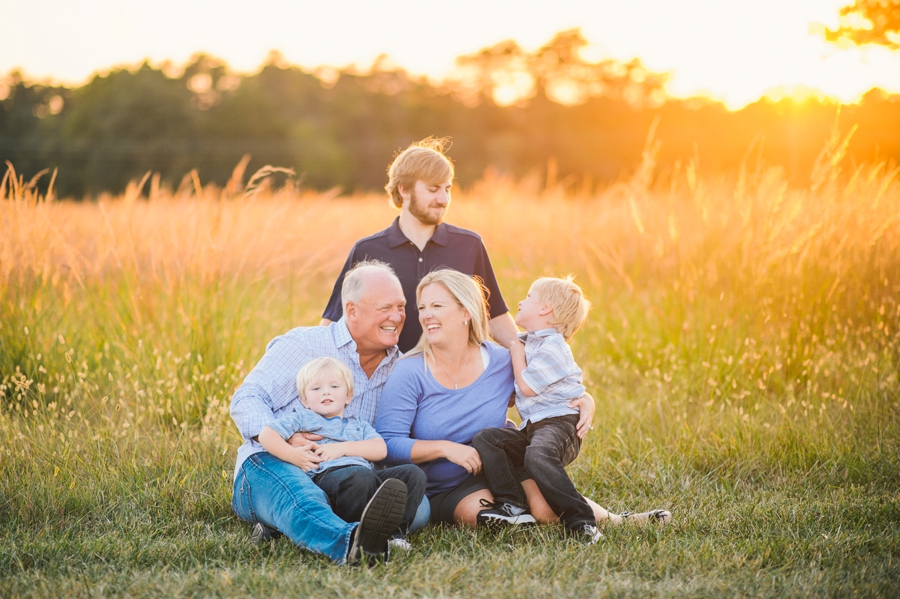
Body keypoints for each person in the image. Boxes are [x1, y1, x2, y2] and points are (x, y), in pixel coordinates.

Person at [375, 269, 662, 530]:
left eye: (437, 306)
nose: (426, 315)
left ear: (466, 312)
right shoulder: (410, 371)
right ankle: (512, 506)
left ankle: (617, 520)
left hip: (502, 464)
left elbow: (548, 382)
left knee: (547, 511)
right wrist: (447, 449)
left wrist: (585, 399)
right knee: (486, 516)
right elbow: (387, 443)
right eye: (422, 307)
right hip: (444, 484)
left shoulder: (502, 360)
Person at [230, 260, 429, 565]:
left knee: (422, 509)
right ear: (351, 311)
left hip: (347, 478)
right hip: (277, 461)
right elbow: (247, 398)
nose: (397, 316)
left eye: (401, 307)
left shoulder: (402, 369)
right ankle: (350, 544)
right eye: (385, 307)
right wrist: (289, 442)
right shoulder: (305, 345)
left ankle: (283, 524)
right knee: (302, 495)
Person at [321, 137, 519, 352]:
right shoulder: (367, 250)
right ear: (404, 190)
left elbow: (494, 315)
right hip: (388, 377)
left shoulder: (470, 245)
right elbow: (335, 322)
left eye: (447, 189)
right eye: (433, 190)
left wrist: (530, 355)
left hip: (456, 377)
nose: (443, 199)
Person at [472, 276, 600, 543]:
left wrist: (516, 353)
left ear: (545, 309)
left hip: (559, 424)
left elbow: (528, 386)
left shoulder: (553, 347)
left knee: (537, 456)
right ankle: (512, 504)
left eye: (529, 297)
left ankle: (582, 520)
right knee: (488, 439)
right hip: (535, 426)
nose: (520, 301)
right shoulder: (529, 341)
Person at [258, 357, 427, 546]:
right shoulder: (303, 418)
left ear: (348, 396)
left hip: (366, 476)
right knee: (360, 477)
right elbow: (267, 434)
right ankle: (355, 534)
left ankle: (394, 534)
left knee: (413, 474)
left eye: (334, 386)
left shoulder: (358, 424)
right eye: (316, 389)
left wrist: (341, 448)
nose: (326, 392)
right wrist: (293, 456)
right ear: (305, 400)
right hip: (326, 478)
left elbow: (380, 449)